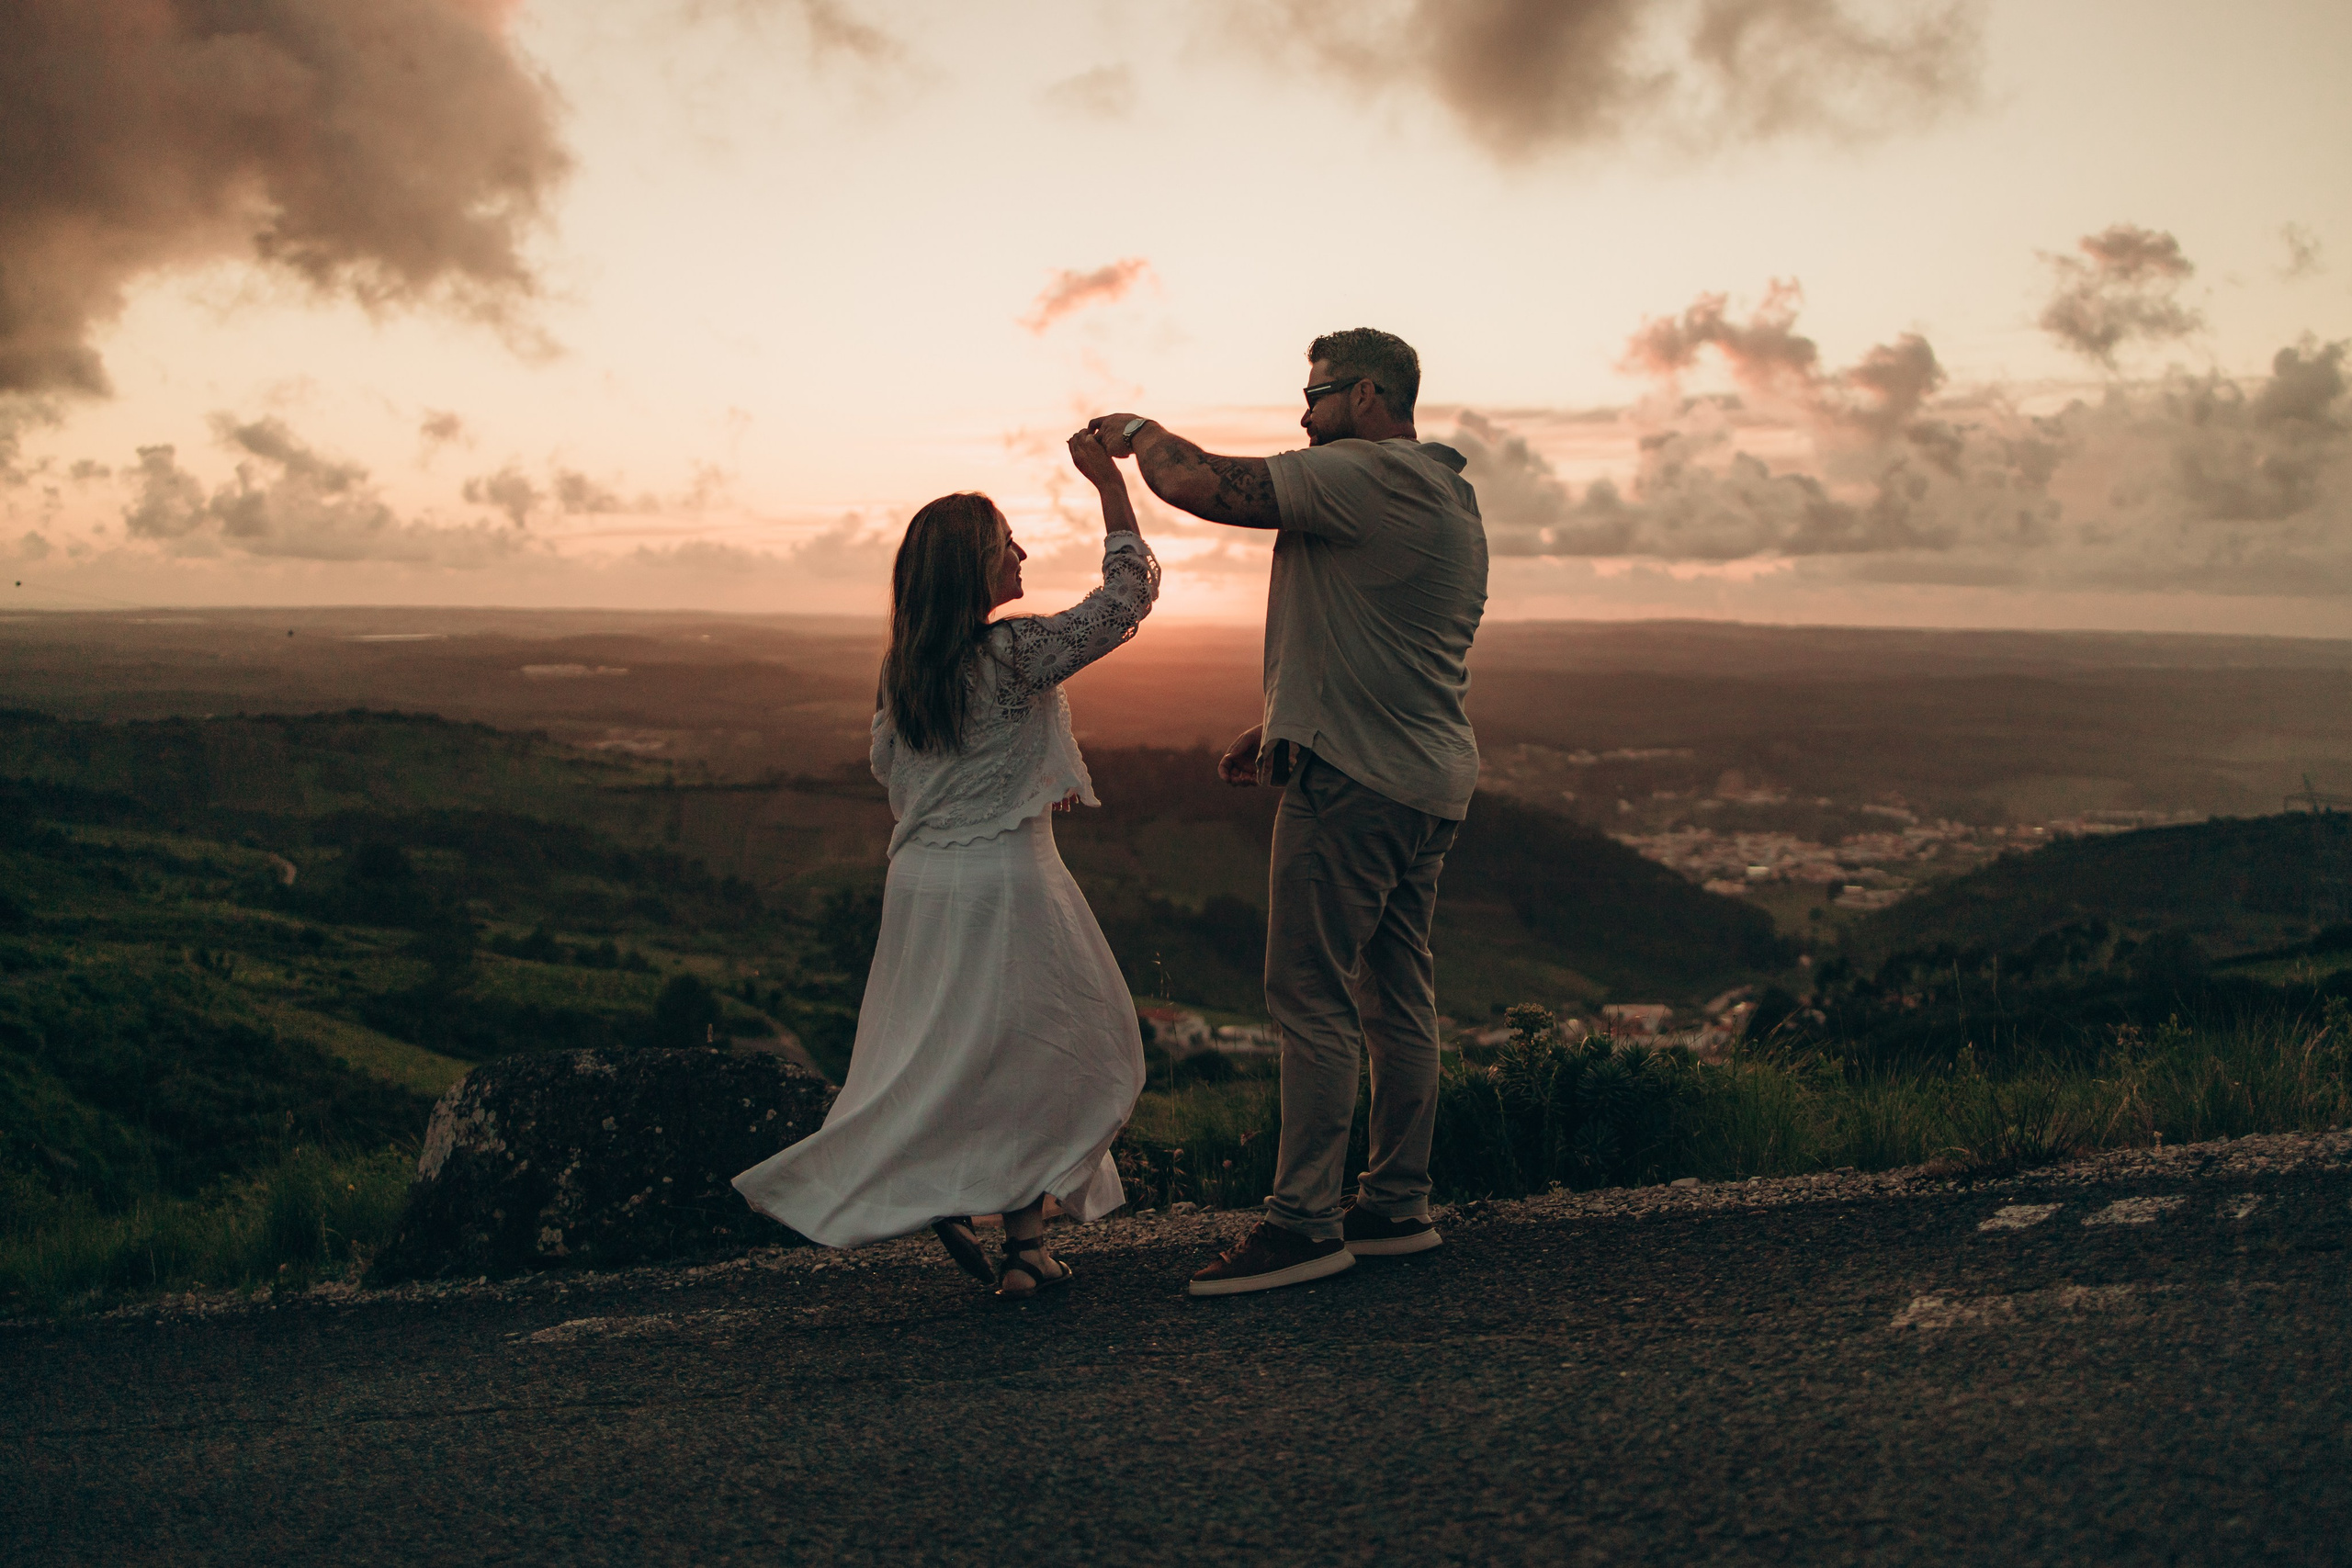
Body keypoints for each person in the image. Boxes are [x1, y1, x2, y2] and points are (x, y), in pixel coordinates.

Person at [1089, 327, 1487, 1296]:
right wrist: (1276, 720)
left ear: (1362, 395)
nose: (1299, 415)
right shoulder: (1445, 493)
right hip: (1425, 779)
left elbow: (1195, 483)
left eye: (1310, 395)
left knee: (1307, 997)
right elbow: (1374, 638)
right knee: (1396, 1000)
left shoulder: (1362, 474)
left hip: (1352, 787)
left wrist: (1133, 430)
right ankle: (1395, 1204)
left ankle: (1303, 1223)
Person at [732, 431, 1158, 1299]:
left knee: (956, 1054)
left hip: (925, 883)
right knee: (1068, 1046)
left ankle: (1023, 1241)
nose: (1024, 552)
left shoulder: (903, 669)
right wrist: (1113, 490)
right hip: (1004, 878)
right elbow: (1123, 602)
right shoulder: (1010, 655)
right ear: (975, 568)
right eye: (1008, 543)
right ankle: (1007, 1230)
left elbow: (899, 775)